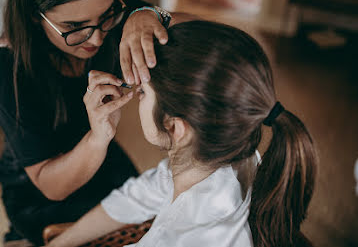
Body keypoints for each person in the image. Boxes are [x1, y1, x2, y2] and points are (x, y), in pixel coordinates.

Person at [47, 21, 318, 247]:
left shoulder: (175, 238)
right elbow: (138, 195)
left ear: (176, 128)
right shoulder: (232, 156)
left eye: (142, 93)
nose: (134, 96)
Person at [0, 0, 184, 245]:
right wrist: (97, 138)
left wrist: (150, 14)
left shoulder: (116, 11)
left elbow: (196, 32)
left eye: (105, 17)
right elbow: (51, 186)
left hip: (103, 156)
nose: (97, 39)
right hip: (40, 190)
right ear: (33, 14)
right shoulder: (7, 66)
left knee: (150, 212)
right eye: (73, 28)